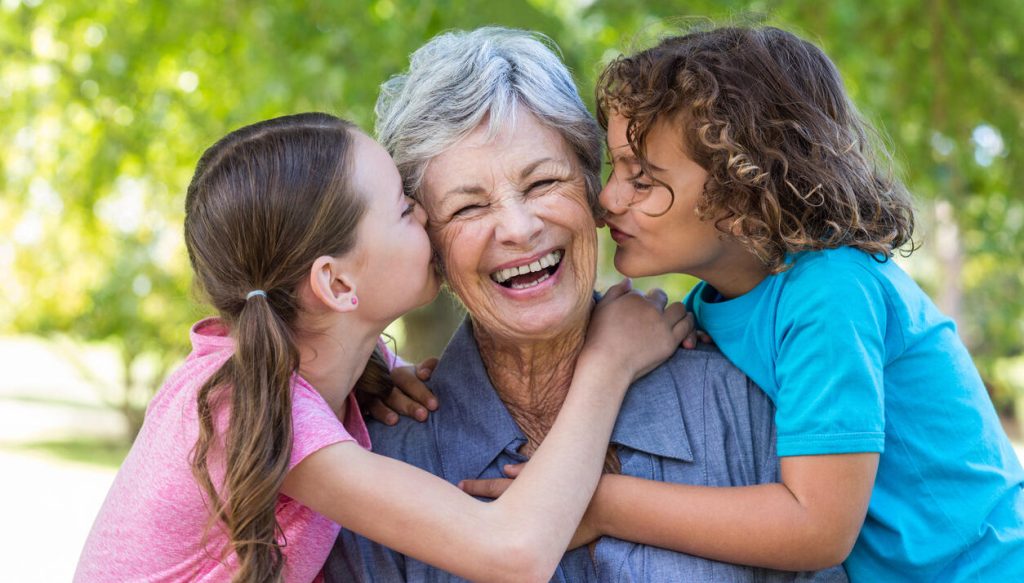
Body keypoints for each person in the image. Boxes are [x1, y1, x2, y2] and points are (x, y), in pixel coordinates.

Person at [73, 112, 691, 582]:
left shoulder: (296, 380)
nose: (427, 216)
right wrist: (608, 364)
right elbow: (513, 553)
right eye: (402, 209)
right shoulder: (254, 408)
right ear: (337, 283)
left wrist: (375, 372)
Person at [327, 27, 845, 582]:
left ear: (594, 189)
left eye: (543, 182)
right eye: (468, 208)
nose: (520, 229)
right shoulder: (379, 461)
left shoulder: (741, 397)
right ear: (427, 244)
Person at [585, 25, 1024, 580]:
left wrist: (600, 503)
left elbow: (816, 528)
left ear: (743, 193)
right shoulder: (714, 302)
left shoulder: (830, 290)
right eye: (614, 168)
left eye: (642, 179)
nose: (606, 198)